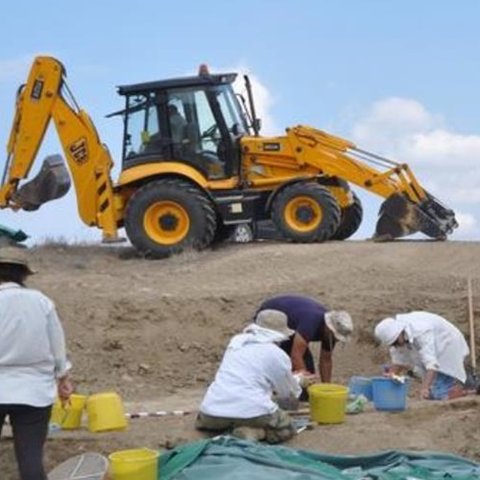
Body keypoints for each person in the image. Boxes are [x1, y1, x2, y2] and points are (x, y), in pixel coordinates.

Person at [0, 247, 73, 480]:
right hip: (35, 391)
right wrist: (63, 379)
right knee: (30, 460)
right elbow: (57, 346)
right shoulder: (42, 302)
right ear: (24, 275)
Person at [195, 310, 302, 444]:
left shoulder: (236, 342)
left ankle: (227, 429)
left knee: (225, 418)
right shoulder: (277, 354)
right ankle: (254, 432)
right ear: (280, 335)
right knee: (287, 428)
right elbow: (286, 393)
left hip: (210, 413)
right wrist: (298, 381)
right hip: (252, 411)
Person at [256, 295, 353, 387]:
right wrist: (307, 385)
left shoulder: (330, 335)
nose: (337, 340)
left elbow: (326, 360)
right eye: (336, 336)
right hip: (271, 318)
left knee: (307, 372)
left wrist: (327, 388)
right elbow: (296, 355)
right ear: (329, 328)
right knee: (281, 364)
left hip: (293, 326)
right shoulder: (310, 322)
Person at [374, 311, 471, 400]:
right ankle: (460, 386)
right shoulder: (399, 336)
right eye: (392, 344)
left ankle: (470, 391)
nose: (395, 345)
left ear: (399, 333)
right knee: (433, 391)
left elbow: (432, 365)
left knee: (440, 394)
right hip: (434, 349)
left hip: (448, 345)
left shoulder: (422, 331)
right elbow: (399, 361)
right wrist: (391, 376)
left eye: (395, 342)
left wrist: (425, 388)